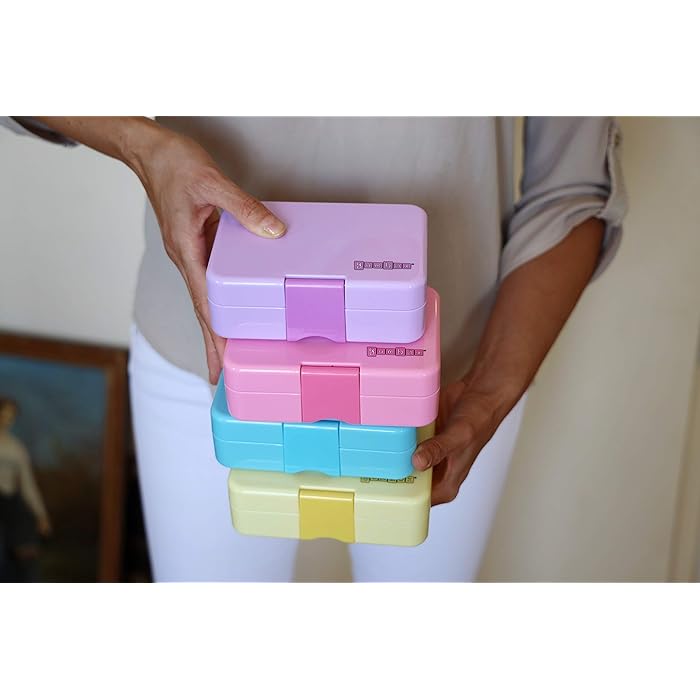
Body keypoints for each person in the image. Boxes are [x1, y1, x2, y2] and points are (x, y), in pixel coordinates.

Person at [1, 116, 626, 581]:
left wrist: (489, 393)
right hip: (209, 365)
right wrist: (145, 147)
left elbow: (573, 185)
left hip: (450, 391)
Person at [0, 397, 52, 582]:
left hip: (9, 503)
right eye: (3, 414)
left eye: (10, 416)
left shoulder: (17, 448)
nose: (6, 420)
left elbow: (28, 484)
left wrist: (41, 515)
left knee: (23, 555)